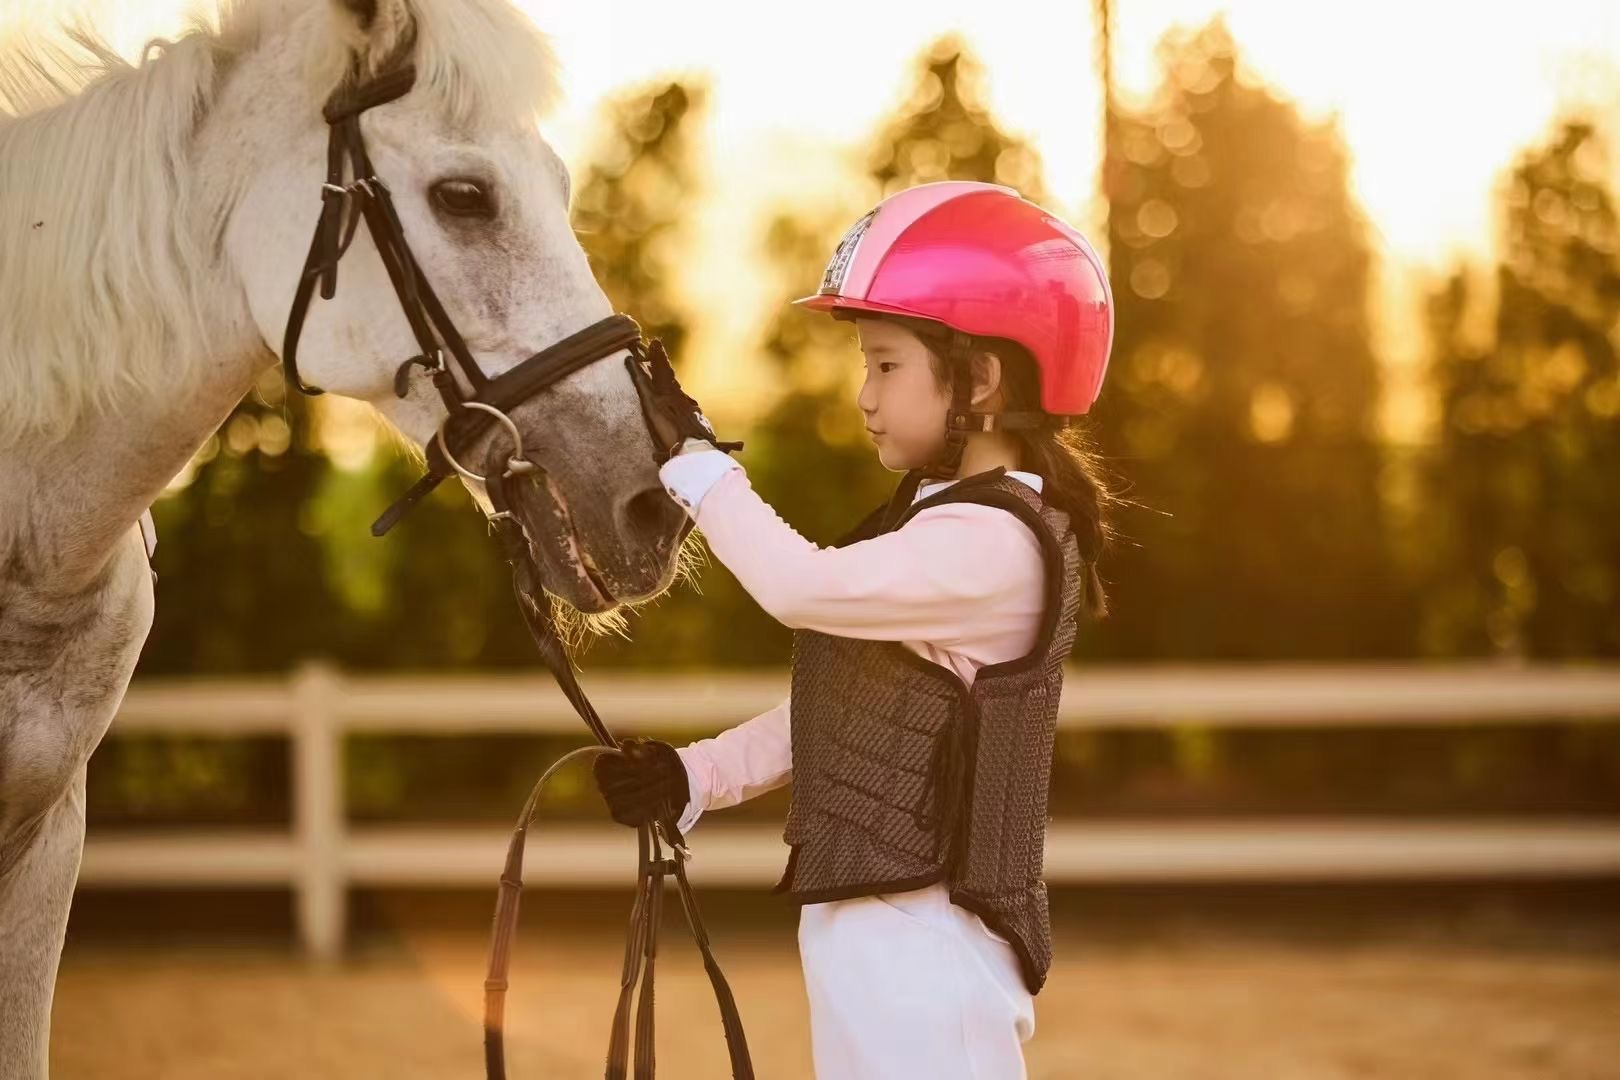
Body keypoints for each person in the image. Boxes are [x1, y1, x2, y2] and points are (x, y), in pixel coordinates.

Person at [596, 179, 1117, 1079]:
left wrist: (699, 468)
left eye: (886, 364)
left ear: (981, 378)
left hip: (925, 955)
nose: (865, 394)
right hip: (878, 943)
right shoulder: (939, 522)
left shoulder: (990, 543)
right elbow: (856, 711)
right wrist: (697, 775)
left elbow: (797, 585)